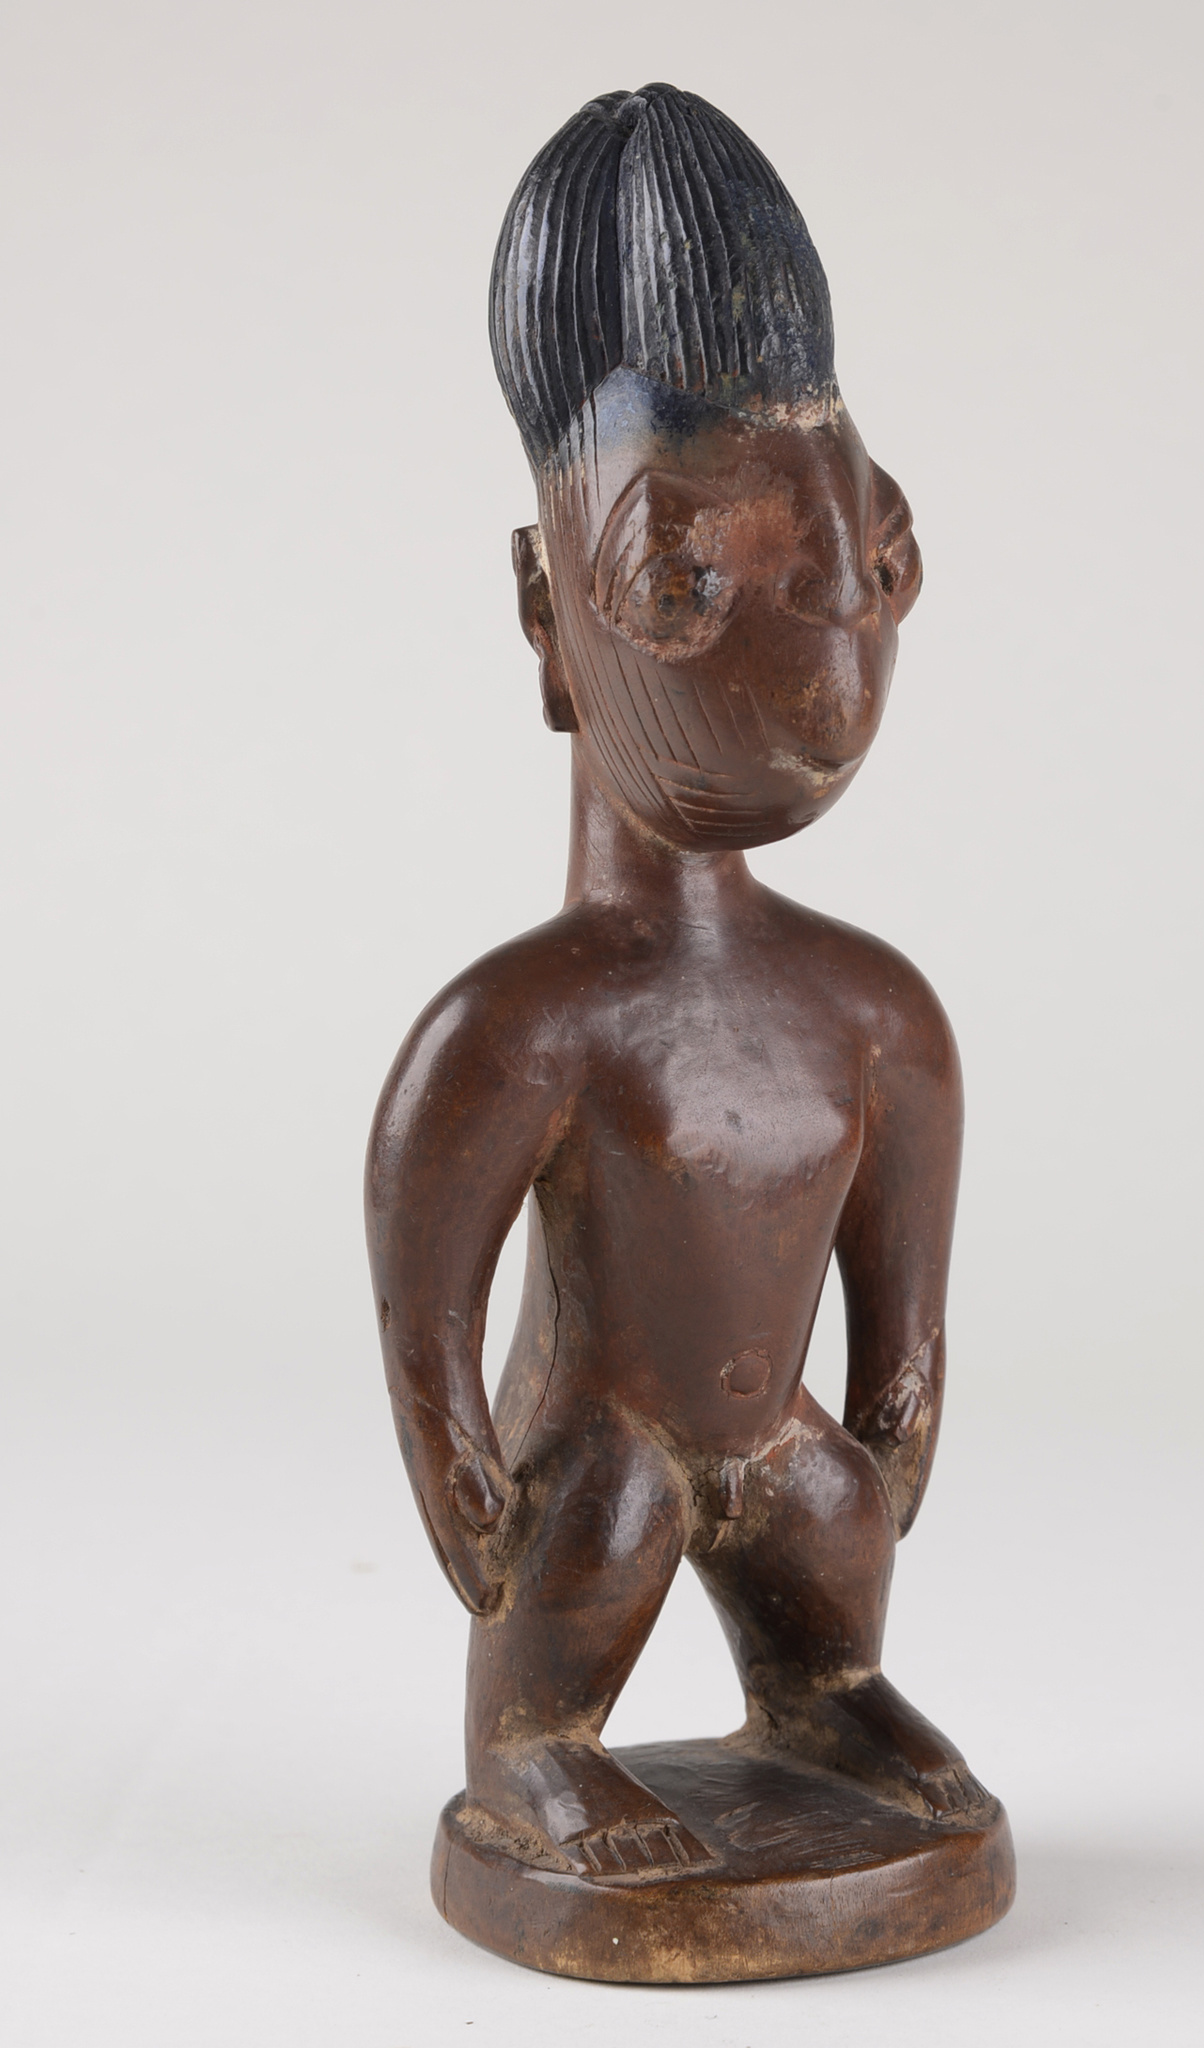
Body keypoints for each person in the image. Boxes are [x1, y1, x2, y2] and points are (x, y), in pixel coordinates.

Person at [366, 83, 996, 1882]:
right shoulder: (527, 1025)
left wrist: (900, 1385)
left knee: (828, 1506)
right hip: (614, 1437)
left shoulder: (873, 1011)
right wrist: (448, 1434)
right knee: (608, 1509)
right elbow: (426, 1259)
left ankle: (828, 1688)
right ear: (543, 611)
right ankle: (536, 1744)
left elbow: (902, 1266)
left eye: (870, 570)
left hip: (775, 1431)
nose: (827, 667)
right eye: (678, 580)